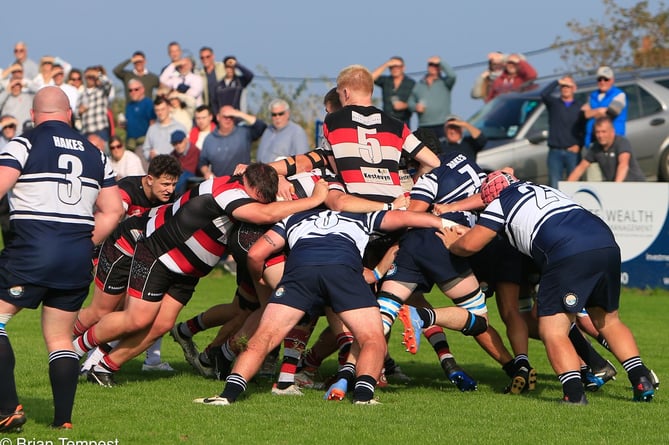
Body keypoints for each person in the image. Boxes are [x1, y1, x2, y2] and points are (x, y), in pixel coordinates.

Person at [73, 164, 329, 387]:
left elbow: (264, 194)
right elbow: (265, 213)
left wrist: (283, 179)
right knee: (137, 319)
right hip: (160, 253)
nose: (258, 202)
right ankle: (73, 350)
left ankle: (105, 367)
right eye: (256, 197)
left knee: (161, 326)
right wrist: (315, 199)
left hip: (188, 270)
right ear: (247, 185)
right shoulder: (227, 190)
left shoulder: (247, 182)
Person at [193, 206, 472, 406]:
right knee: (372, 338)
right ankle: (363, 397)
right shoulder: (360, 217)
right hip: (342, 270)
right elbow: (405, 217)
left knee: (263, 338)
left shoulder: (293, 218)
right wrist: (442, 224)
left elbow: (257, 253)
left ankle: (226, 396)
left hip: (300, 272)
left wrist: (261, 283)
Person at [438, 169, 657, 404]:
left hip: (567, 252)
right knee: (608, 320)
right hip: (606, 242)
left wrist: (453, 244)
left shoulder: (499, 204)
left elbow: (471, 245)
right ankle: (641, 379)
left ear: (488, 196)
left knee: (553, 329)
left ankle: (573, 394)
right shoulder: (545, 189)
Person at [0, 87, 123, 431]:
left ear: (35, 115)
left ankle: (7, 408)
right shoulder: (96, 153)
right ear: (69, 114)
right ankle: (63, 421)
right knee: (59, 337)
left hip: (32, 251)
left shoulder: (24, 143)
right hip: (76, 255)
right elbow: (115, 209)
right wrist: (85, 240)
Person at [567, 116, 645, 182]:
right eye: (598, 132)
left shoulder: (622, 142)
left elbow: (623, 165)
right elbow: (580, 168)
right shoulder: (595, 147)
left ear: (612, 132)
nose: (600, 136)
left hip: (635, 185)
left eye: (604, 132)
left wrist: (616, 187)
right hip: (614, 186)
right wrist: (566, 188)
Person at [541, 75, 585, 188]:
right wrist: (557, 81)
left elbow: (585, 129)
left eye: (568, 86)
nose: (565, 89)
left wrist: (579, 145)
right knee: (555, 186)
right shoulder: (554, 104)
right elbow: (543, 94)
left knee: (574, 186)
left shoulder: (580, 107)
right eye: (563, 86)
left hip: (573, 153)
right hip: (555, 152)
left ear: (574, 88)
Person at [199, 105, 266, 179]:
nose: (228, 119)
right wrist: (207, 172)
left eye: (231, 116)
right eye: (225, 117)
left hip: (242, 182)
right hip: (220, 183)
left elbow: (262, 127)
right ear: (218, 117)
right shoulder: (210, 138)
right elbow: (202, 162)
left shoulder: (244, 132)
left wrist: (239, 114)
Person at [410, 56, 456, 140]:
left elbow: (452, 75)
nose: (433, 67)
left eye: (436, 65)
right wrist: (415, 107)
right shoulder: (419, 85)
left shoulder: (445, 83)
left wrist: (441, 62)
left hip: (442, 124)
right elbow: (410, 102)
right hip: (424, 125)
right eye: (431, 65)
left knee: (442, 150)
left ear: (440, 68)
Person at [582, 66, 627, 147]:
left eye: (606, 79)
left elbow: (610, 114)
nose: (602, 82)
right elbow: (585, 114)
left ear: (612, 80)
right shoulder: (592, 96)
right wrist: (600, 110)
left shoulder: (619, 95)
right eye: (600, 79)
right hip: (593, 140)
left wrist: (593, 112)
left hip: (613, 140)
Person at [256, 99, 310, 163]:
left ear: (288, 114)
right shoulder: (268, 130)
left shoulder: (297, 132)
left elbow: (302, 162)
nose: (277, 117)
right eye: (274, 114)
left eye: (280, 114)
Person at [371, 56, 415, 125]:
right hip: (387, 122)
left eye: (397, 66)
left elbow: (418, 102)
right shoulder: (386, 80)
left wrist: (405, 105)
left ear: (403, 68)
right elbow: (370, 78)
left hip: (404, 122)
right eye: (392, 67)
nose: (395, 69)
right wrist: (386, 64)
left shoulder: (411, 83)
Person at [142, 96, 187, 161]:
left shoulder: (179, 127)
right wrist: (150, 155)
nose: (160, 113)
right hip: (158, 167)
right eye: (157, 110)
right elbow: (146, 149)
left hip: (176, 166)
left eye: (163, 109)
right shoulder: (151, 129)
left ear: (169, 108)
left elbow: (187, 148)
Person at [123, 79, 156, 161]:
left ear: (142, 89)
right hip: (130, 144)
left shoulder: (148, 103)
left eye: (136, 89)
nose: (133, 92)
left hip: (143, 144)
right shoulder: (129, 106)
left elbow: (153, 123)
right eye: (130, 90)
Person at [77, 66, 112, 142]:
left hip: (100, 130)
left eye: (92, 77)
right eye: (88, 77)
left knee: (103, 153)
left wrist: (97, 74)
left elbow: (108, 83)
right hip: (85, 132)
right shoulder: (82, 94)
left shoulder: (102, 90)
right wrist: (79, 111)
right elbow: (75, 114)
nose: (91, 79)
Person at [169, 130, 200, 195]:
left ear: (186, 140)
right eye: (175, 143)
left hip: (193, 177)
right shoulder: (172, 155)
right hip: (178, 176)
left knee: (183, 177)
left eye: (180, 142)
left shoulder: (196, 151)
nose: (178, 145)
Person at [198, 47, 225, 112]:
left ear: (213, 56)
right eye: (202, 58)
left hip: (224, 106)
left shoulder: (222, 67)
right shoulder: (199, 74)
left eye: (207, 57)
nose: (205, 59)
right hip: (210, 110)